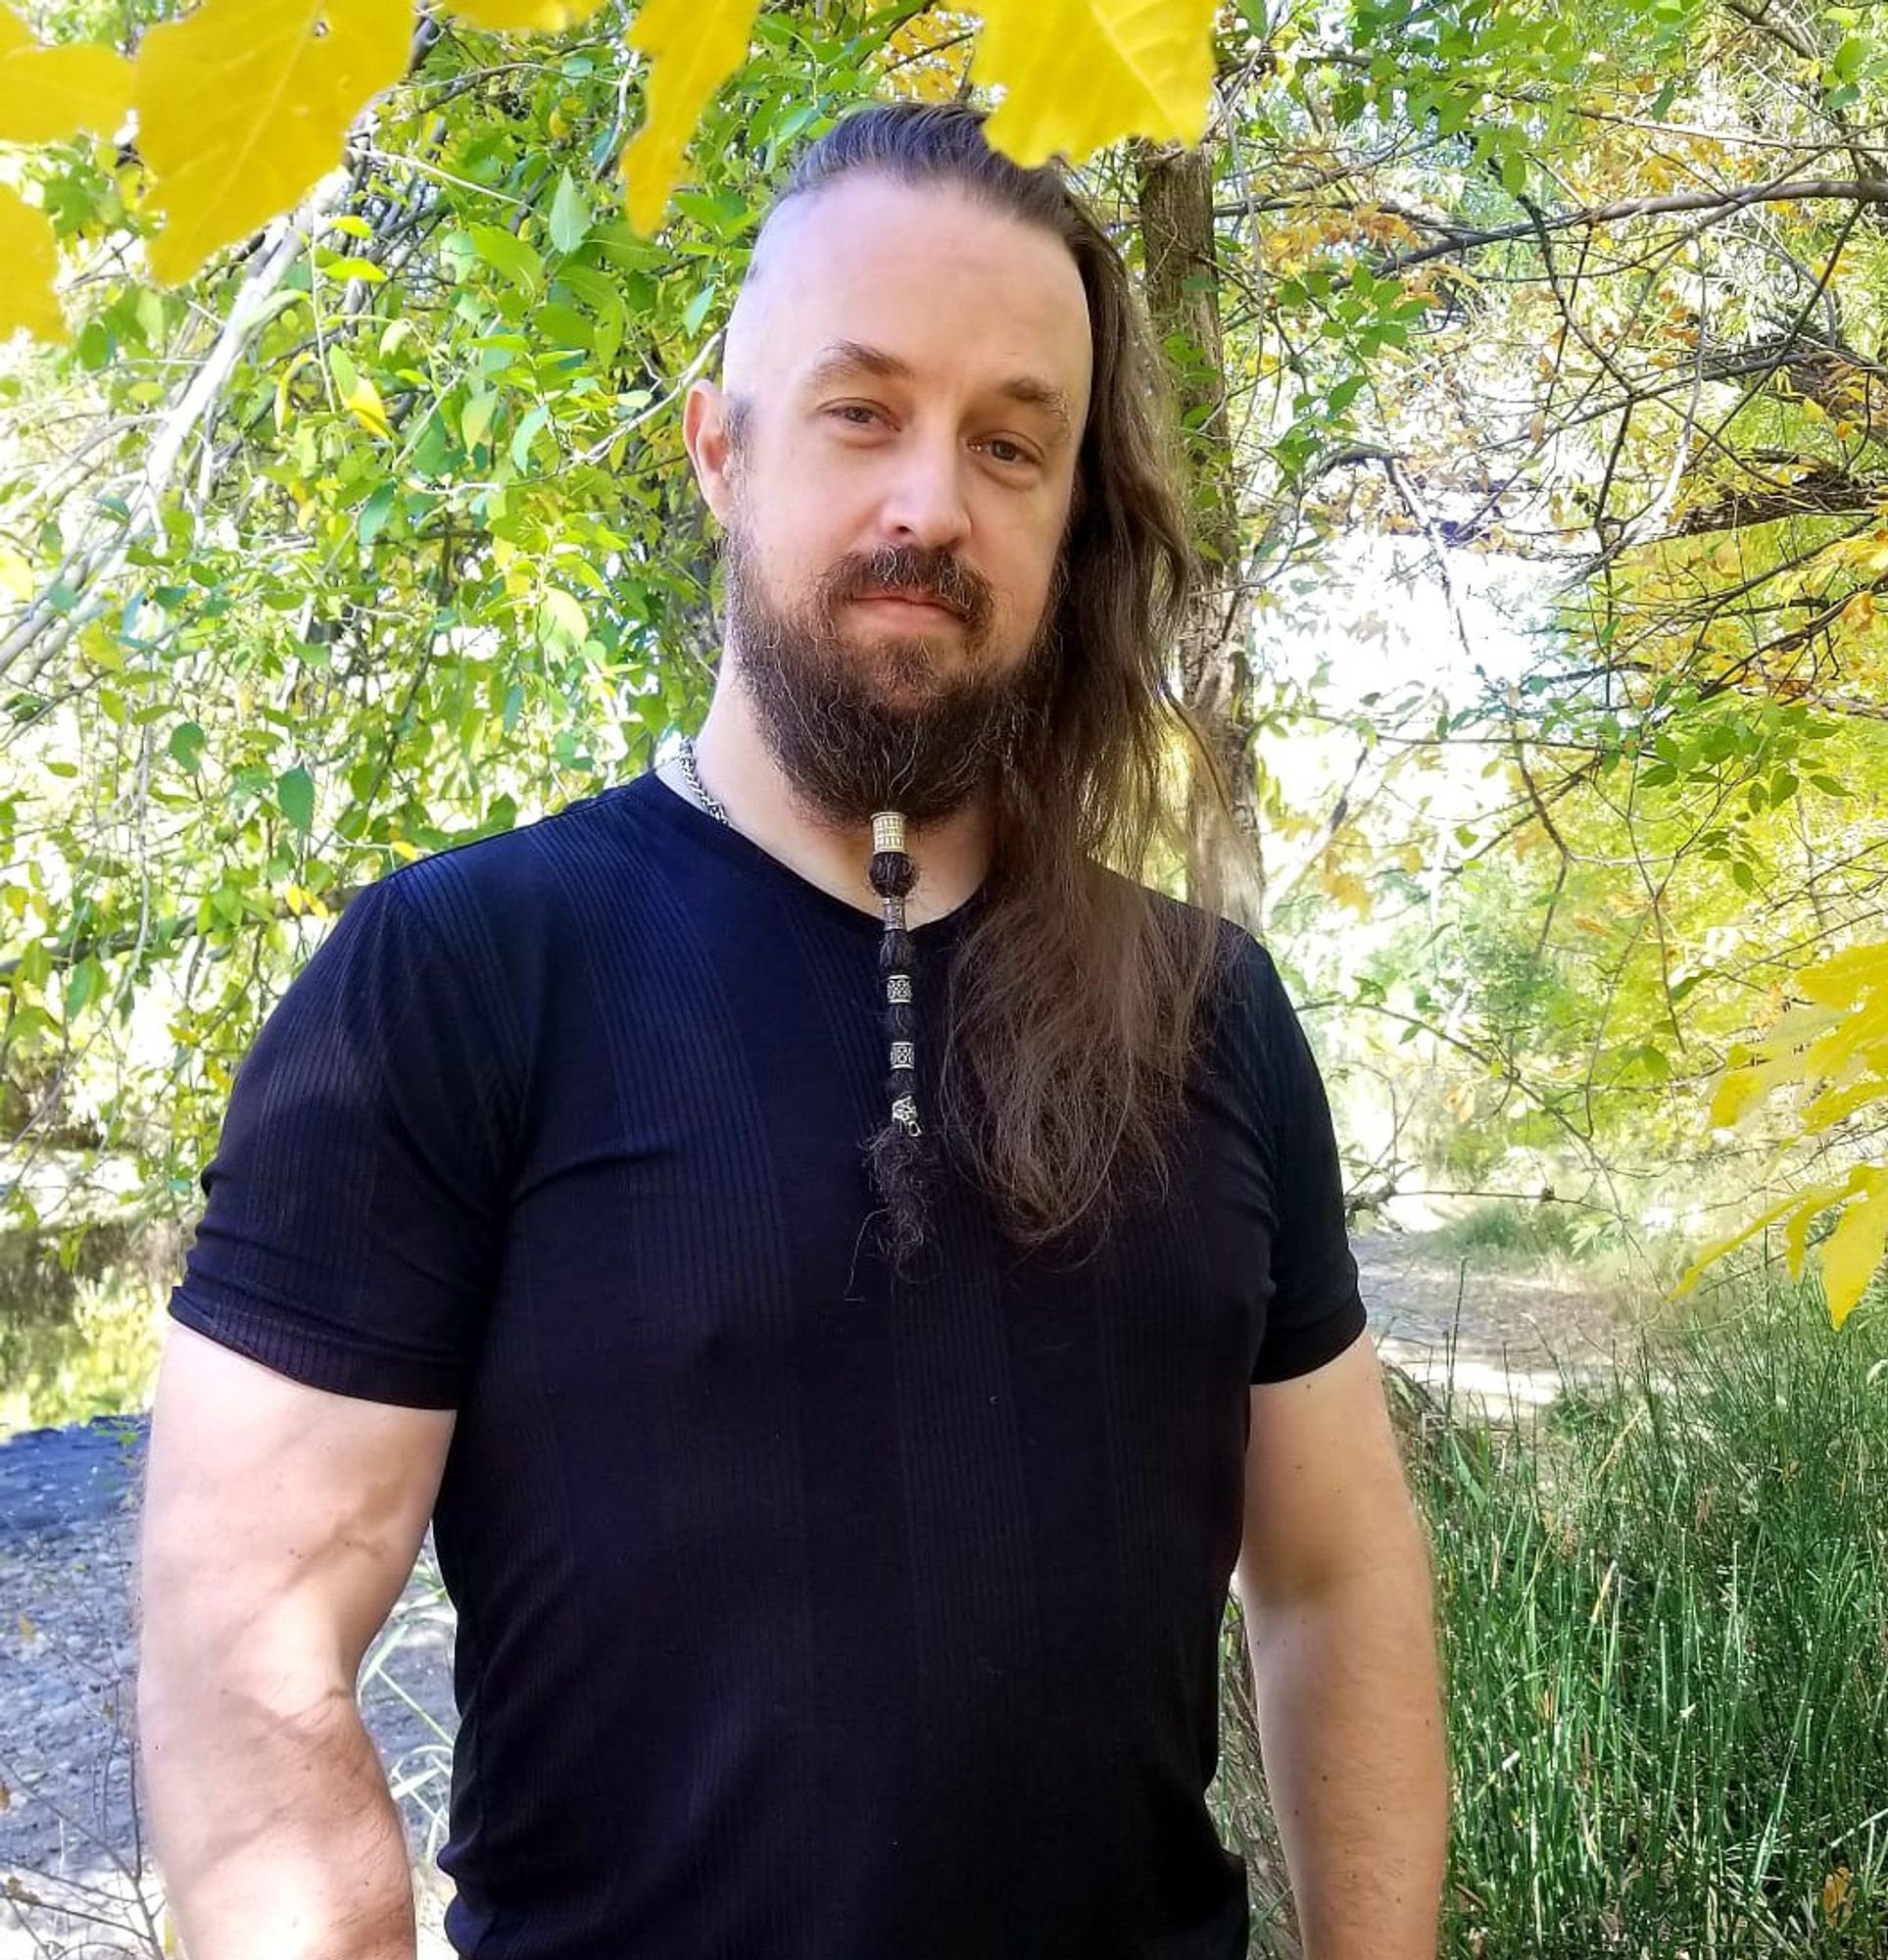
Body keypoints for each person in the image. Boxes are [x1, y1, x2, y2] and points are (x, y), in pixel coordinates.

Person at [135, 100, 1448, 1960]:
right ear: (718, 447)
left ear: (1073, 519)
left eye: (1013, 442)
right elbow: (243, 1653)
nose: (933, 500)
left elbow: (1331, 1579)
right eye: (862, 409)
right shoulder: (457, 978)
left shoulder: (1210, 1016)